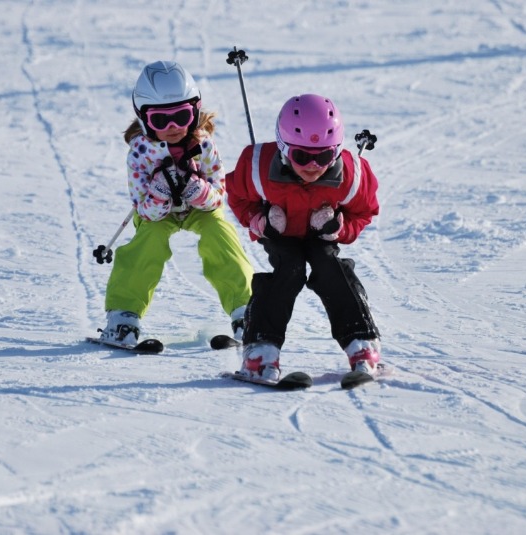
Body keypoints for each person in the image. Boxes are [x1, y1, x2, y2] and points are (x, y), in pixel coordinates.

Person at [226, 93, 382, 382]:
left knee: (330, 267)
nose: (313, 165)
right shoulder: (257, 167)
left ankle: (361, 343)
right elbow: (237, 196)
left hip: (320, 234)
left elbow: (364, 211)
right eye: (301, 156)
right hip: (279, 232)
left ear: (336, 151)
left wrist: (339, 228)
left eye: (324, 156)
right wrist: (259, 221)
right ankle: (260, 350)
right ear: (283, 148)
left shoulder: (352, 175)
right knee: (290, 268)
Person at [99, 60, 253, 345]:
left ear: (194, 112)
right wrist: (159, 194)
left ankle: (247, 311)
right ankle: (123, 317)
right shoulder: (140, 153)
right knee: (149, 241)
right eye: (160, 120)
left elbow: (218, 194)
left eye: (181, 116)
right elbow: (143, 209)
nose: (172, 127)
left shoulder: (203, 145)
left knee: (220, 234)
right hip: (157, 213)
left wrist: (197, 190)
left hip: (200, 208)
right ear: (144, 118)